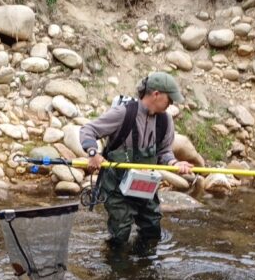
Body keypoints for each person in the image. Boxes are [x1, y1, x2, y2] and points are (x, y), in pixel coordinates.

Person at [79, 71, 194, 247]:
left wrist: (174, 163)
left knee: (152, 231)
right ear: (156, 94)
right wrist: (93, 153)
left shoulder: (165, 121)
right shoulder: (123, 113)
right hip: (117, 188)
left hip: (145, 186)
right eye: (169, 99)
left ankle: (144, 262)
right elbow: (88, 130)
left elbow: (164, 152)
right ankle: (116, 261)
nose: (171, 104)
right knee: (120, 236)